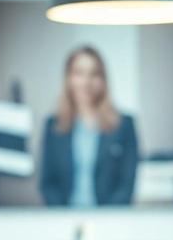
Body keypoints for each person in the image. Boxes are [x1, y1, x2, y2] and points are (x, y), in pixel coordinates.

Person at [38, 46, 140, 207]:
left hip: (110, 221)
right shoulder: (53, 126)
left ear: (103, 80)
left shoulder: (124, 125)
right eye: (79, 73)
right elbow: (48, 184)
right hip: (63, 220)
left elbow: (126, 185)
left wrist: (107, 220)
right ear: (69, 78)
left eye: (94, 74)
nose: (86, 82)